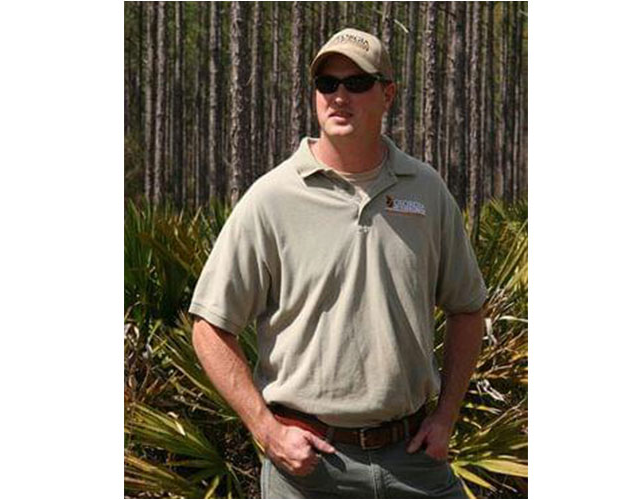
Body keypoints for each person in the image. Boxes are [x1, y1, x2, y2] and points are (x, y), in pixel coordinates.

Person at [189, 27, 487, 499]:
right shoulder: (272, 198)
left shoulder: (426, 191)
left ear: (388, 94)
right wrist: (266, 430)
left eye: (357, 82)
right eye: (327, 84)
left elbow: (467, 307)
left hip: (413, 459)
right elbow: (209, 326)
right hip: (308, 469)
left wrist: (446, 415)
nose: (339, 96)